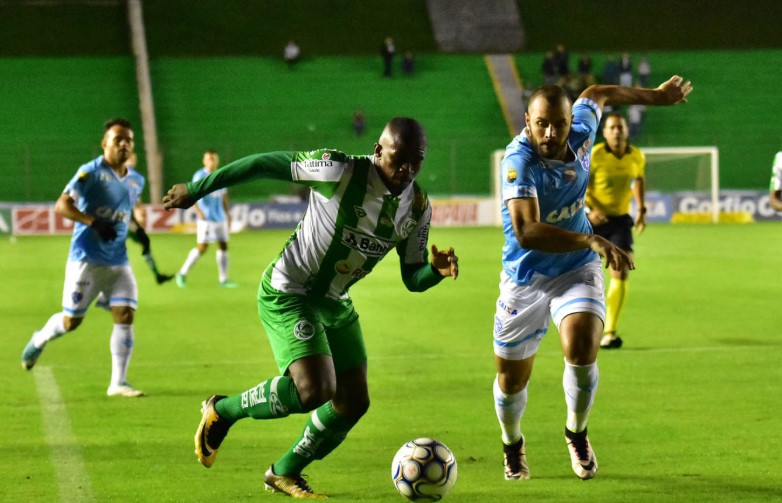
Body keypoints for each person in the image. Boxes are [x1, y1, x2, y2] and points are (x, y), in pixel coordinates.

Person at [162, 117, 458, 499]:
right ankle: (223, 410)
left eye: (416, 161)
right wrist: (197, 188)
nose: (407, 169)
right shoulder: (338, 170)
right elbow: (263, 164)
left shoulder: (417, 207)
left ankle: (284, 472)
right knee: (314, 389)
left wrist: (435, 271)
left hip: (335, 301)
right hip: (290, 291)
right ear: (377, 151)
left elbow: (413, 277)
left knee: (354, 402)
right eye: (398, 159)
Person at [492, 76, 691, 481]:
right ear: (527, 121)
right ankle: (512, 443)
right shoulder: (518, 161)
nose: (550, 133)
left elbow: (600, 93)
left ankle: (576, 433)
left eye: (559, 124)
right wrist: (590, 237)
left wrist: (656, 97)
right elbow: (527, 231)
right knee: (511, 381)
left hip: (575, 267)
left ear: (571, 122)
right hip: (525, 277)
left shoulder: (583, 131)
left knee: (582, 347)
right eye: (541, 124)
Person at [21, 118, 148, 397]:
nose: (124, 144)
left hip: (119, 260)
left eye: (128, 140)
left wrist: (139, 231)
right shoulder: (90, 172)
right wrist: (92, 222)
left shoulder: (136, 180)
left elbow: (125, 213)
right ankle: (40, 338)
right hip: (86, 259)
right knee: (71, 322)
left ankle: (118, 383)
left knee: (125, 314)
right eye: (118, 139)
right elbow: (62, 205)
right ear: (105, 143)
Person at [586, 113, 647, 349]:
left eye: (620, 127)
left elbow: (639, 179)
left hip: (620, 220)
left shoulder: (636, 156)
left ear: (626, 131)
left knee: (621, 271)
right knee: (581, 274)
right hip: (594, 221)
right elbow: (581, 185)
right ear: (604, 132)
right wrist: (591, 209)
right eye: (612, 128)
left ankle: (609, 331)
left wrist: (641, 208)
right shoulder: (595, 155)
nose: (616, 132)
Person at [175, 150, 237, 288]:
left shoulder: (220, 175)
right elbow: (191, 194)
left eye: (214, 158)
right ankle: (182, 273)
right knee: (202, 247)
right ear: (204, 161)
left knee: (223, 245)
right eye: (209, 159)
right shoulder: (200, 175)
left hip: (219, 216)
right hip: (206, 217)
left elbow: (223, 195)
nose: (212, 161)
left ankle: (223, 280)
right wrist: (198, 211)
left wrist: (227, 213)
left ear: (217, 160)